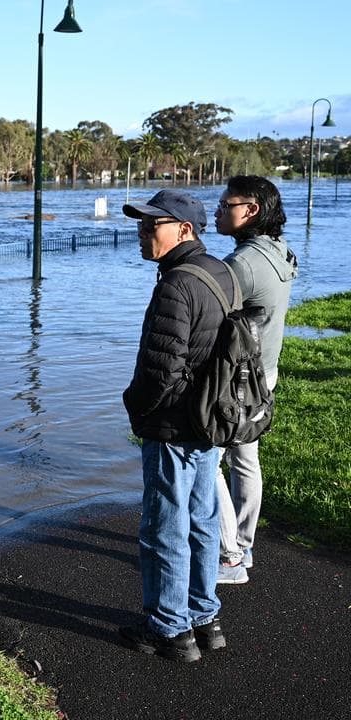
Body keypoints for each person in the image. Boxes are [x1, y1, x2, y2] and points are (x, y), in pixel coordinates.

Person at [119, 189, 234, 662]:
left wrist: (137, 408)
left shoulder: (176, 283)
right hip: (211, 418)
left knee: (164, 525)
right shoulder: (221, 272)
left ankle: (170, 630)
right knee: (202, 519)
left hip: (173, 423)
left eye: (153, 226)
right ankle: (205, 617)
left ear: (183, 230)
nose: (143, 233)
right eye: (142, 225)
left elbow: (160, 369)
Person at [212, 176, 299, 585]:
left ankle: (229, 557)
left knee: (207, 462)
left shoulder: (241, 265)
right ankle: (242, 546)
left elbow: (211, 325)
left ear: (251, 211)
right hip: (266, 370)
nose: (217, 210)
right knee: (245, 459)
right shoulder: (279, 252)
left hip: (238, 379)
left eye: (225, 203)